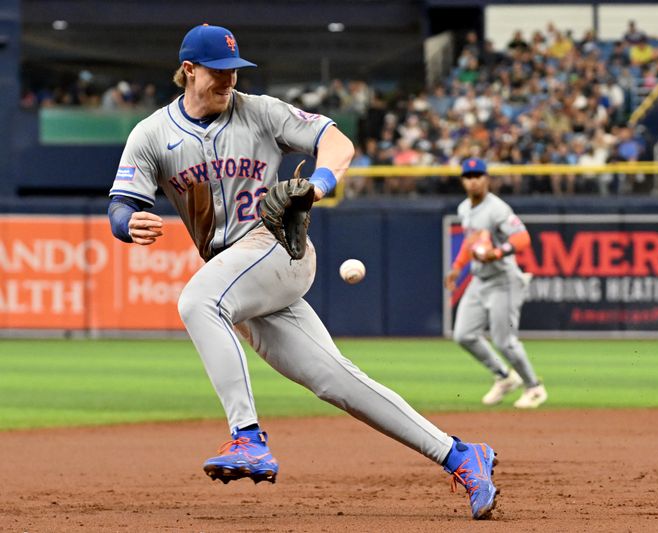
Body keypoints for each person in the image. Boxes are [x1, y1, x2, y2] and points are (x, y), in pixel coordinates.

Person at [107, 24, 498, 520]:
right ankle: (462, 455)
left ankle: (246, 437)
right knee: (335, 380)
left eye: (235, 70)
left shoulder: (262, 111)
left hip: (275, 247)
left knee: (198, 302)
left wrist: (319, 182)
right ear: (188, 70)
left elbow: (337, 142)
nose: (230, 79)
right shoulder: (152, 134)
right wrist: (126, 223)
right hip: (236, 274)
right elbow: (122, 202)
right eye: (219, 71)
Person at [445, 158, 548, 409]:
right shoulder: (464, 209)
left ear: (487, 178)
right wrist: (457, 268)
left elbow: (522, 238)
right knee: (463, 335)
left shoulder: (497, 209)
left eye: (478, 175)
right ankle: (504, 377)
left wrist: (499, 252)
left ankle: (534, 387)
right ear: (463, 181)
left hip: (504, 280)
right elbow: (470, 243)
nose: (474, 180)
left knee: (505, 341)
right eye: (469, 176)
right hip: (479, 280)